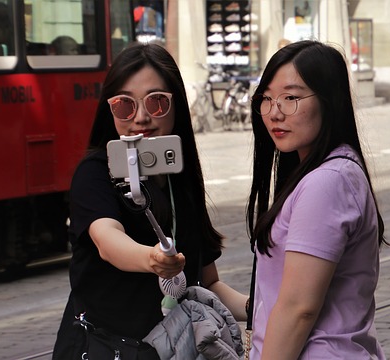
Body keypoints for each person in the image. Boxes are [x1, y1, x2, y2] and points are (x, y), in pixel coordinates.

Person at [52, 43, 247, 359]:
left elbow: (209, 283)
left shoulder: (179, 179)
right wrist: (153, 260)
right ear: (109, 109)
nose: (141, 117)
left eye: (156, 102)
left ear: (176, 105)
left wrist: (262, 308)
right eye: (124, 105)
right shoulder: (95, 172)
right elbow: (107, 239)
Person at [246, 40, 387, 359]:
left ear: (329, 101)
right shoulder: (332, 170)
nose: (274, 112)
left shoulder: (326, 181)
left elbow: (299, 309)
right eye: (266, 98)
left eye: (291, 97)